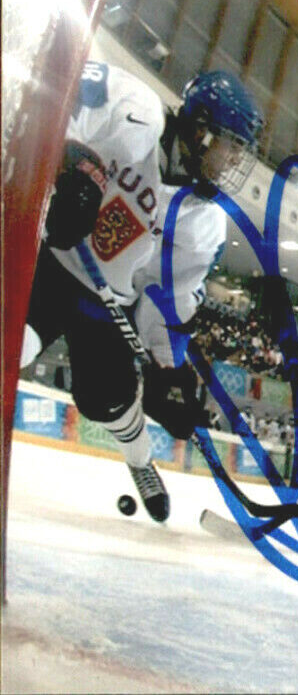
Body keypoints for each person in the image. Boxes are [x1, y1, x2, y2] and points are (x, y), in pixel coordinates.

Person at [23, 61, 263, 522]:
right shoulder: (139, 111)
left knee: (103, 401)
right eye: (233, 146)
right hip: (53, 265)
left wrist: (168, 368)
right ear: (201, 132)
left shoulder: (202, 219)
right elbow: (62, 97)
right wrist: (75, 164)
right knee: (17, 344)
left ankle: (140, 462)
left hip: (106, 304)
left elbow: (171, 295)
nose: (235, 161)